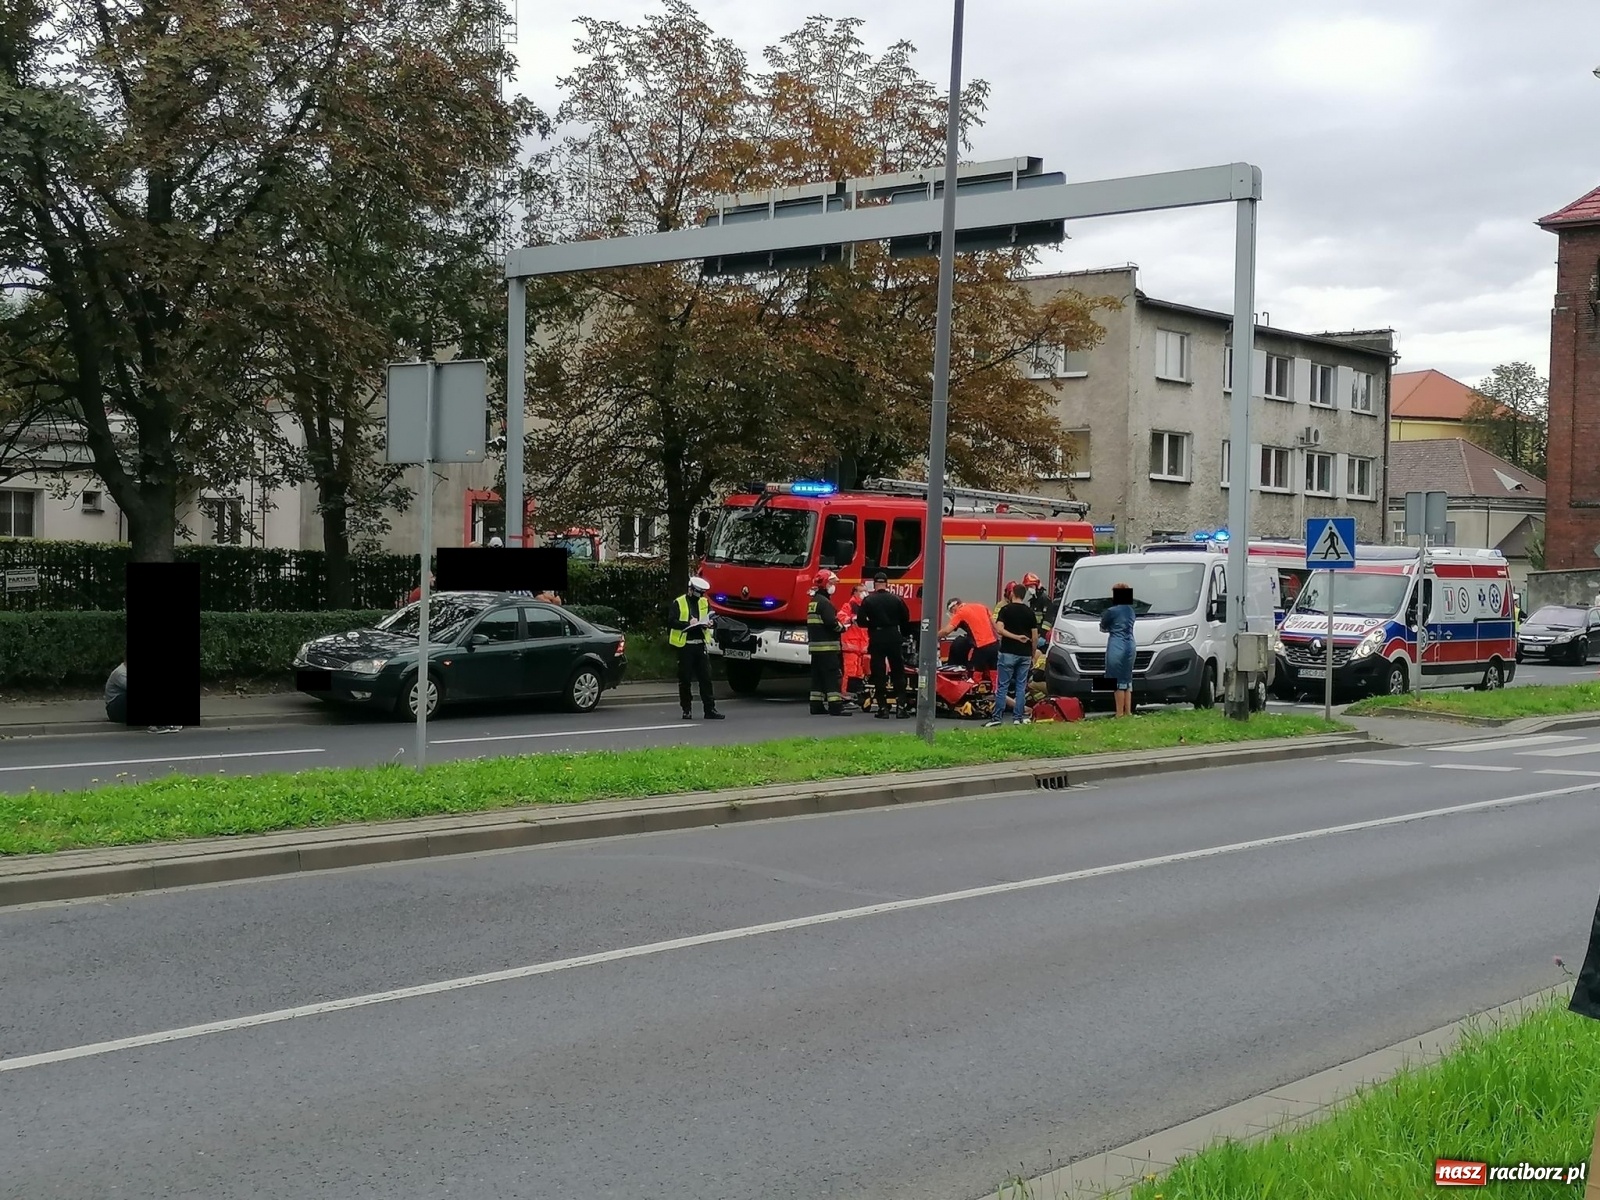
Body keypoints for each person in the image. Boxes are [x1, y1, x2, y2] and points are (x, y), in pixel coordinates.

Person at [668, 575, 724, 721]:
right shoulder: (678, 602)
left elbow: (712, 616)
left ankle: (710, 709)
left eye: (701, 594)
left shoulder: (704, 602)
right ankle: (686, 710)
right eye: (697, 593)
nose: (699, 597)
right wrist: (688, 623)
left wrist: (710, 623)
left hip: (700, 645)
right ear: (690, 589)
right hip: (685, 646)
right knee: (685, 680)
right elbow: (671, 621)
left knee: (706, 679)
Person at [859, 570, 913, 719]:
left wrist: (872, 624)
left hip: (877, 637)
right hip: (894, 636)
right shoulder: (896, 600)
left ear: (875, 584)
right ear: (887, 584)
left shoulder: (868, 601)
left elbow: (861, 621)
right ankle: (901, 708)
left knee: (879, 673)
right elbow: (905, 619)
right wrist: (902, 634)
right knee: (898, 672)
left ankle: (883, 708)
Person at [988, 583, 1040, 726]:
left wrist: (1015, 637)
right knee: (1021, 687)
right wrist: (1032, 652)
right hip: (1025, 654)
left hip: (1007, 653)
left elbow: (999, 630)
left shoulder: (1005, 610)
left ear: (1012, 594)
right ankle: (1018, 718)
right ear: (1024, 595)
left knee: (1002, 686)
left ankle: (997, 718)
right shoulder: (1029, 612)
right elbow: (1035, 637)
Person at [807, 569, 849, 716]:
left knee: (818, 678)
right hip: (827, 648)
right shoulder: (826, 603)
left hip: (816, 649)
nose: (833, 586)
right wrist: (842, 627)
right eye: (831, 583)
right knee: (832, 677)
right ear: (825, 584)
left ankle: (816, 705)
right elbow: (832, 623)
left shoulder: (814, 602)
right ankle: (835, 706)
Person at [1100, 581, 1138, 717]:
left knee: (1116, 681)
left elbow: (1103, 626)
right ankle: (1128, 712)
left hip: (1117, 645)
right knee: (1127, 679)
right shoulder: (1131, 611)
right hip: (1131, 645)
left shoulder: (1112, 611)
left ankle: (1119, 713)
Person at [940, 596, 999, 677]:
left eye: (951, 611)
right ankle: (995, 689)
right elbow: (997, 628)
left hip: (981, 647)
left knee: (974, 672)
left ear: (954, 607)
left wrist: (934, 636)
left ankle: (974, 688)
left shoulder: (960, 612)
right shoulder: (981, 606)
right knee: (993, 671)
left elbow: (946, 631)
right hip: (995, 644)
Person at [838, 582, 870, 708]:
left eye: (865, 591)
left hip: (861, 647)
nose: (864, 593)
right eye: (861, 591)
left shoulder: (865, 606)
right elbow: (840, 617)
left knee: (859, 673)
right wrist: (851, 619)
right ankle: (845, 695)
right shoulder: (849, 605)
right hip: (851, 645)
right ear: (855, 593)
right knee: (849, 672)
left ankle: (856, 695)